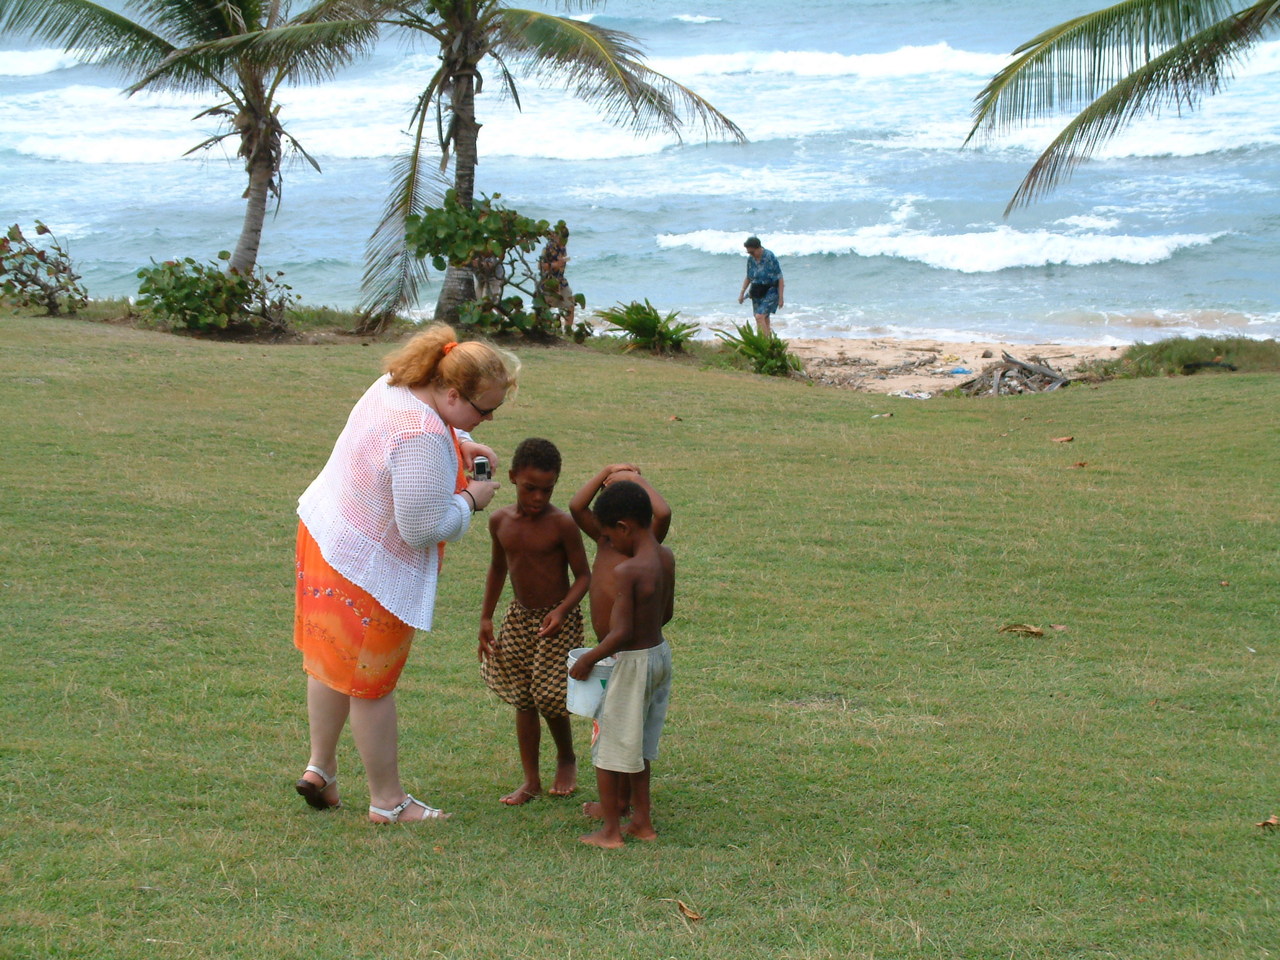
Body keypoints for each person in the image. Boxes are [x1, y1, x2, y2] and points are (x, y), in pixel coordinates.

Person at [292, 324, 516, 824]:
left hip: (327, 536)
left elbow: (421, 434)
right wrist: (471, 499)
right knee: (372, 685)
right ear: (452, 393)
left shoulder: (397, 383)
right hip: (367, 569)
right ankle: (388, 802)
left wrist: (461, 439)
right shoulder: (421, 436)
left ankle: (320, 769)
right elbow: (421, 529)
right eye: (484, 410)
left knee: (331, 662)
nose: (489, 418)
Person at [478, 437, 591, 805]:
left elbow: (584, 577)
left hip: (558, 620)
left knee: (549, 696)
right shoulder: (500, 521)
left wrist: (562, 610)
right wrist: (486, 617)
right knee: (523, 697)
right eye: (530, 488)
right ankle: (531, 780)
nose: (539, 497)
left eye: (547, 489)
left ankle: (566, 758)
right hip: (520, 618)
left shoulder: (561, 525)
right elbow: (498, 568)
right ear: (512, 477)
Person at [569, 480, 675, 849]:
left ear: (624, 527)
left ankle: (610, 831)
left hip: (630, 665)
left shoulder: (628, 571)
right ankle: (642, 822)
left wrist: (588, 659)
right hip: (658, 656)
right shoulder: (665, 557)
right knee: (640, 746)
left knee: (609, 747)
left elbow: (622, 632)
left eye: (611, 537)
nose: (611, 544)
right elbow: (667, 614)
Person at [736, 235, 785, 338]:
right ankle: (769, 340)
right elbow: (749, 277)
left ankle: (765, 343)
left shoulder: (769, 256)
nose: (751, 254)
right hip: (757, 291)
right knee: (763, 318)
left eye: (752, 252)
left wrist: (781, 298)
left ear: (758, 248)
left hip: (771, 290)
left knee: (760, 316)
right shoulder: (751, 259)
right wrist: (742, 293)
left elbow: (780, 277)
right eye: (748, 253)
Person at [538, 221, 576, 331]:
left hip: (561, 281)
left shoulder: (563, 248)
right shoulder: (548, 248)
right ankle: (545, 329)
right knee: (546, 307)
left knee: (570, 305)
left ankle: (568, 330)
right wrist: (554, 265)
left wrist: (562, 262)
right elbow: (540, 265)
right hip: (548, 282)